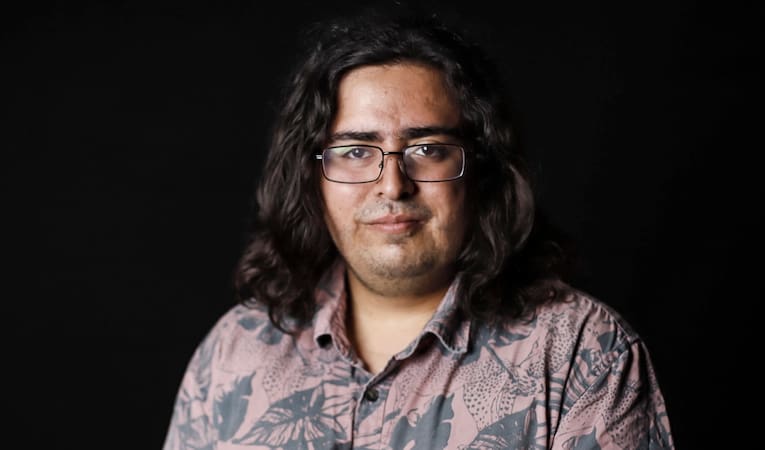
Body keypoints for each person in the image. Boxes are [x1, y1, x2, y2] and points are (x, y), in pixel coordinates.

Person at [163, 6, 674, 449]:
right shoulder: (233, 353)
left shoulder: (583, 355)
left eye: (427, 149)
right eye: (356, 152)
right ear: (311, 177)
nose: (392, 185)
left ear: (480, 170)